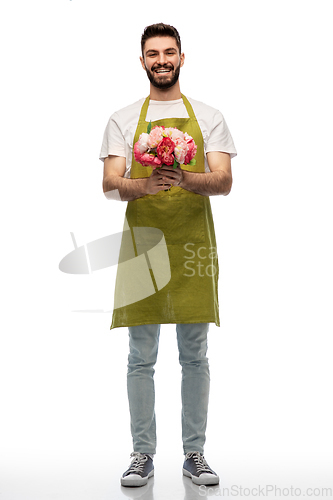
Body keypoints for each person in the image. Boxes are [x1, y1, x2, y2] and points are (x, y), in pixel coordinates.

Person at [99, 23, 237, 488]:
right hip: (143, 245)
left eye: (169, 52)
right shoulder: (121, 118)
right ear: (142, 61)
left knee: (195, 353)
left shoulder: (210, 115)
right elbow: (110, 184)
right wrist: (145, 184)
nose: (161, 59)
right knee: (141, 354)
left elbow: (223, 180)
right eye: (153, 53)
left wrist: (185, 179)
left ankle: (195, 454)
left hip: (193, 242)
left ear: (182, 57)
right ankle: (142, 453)